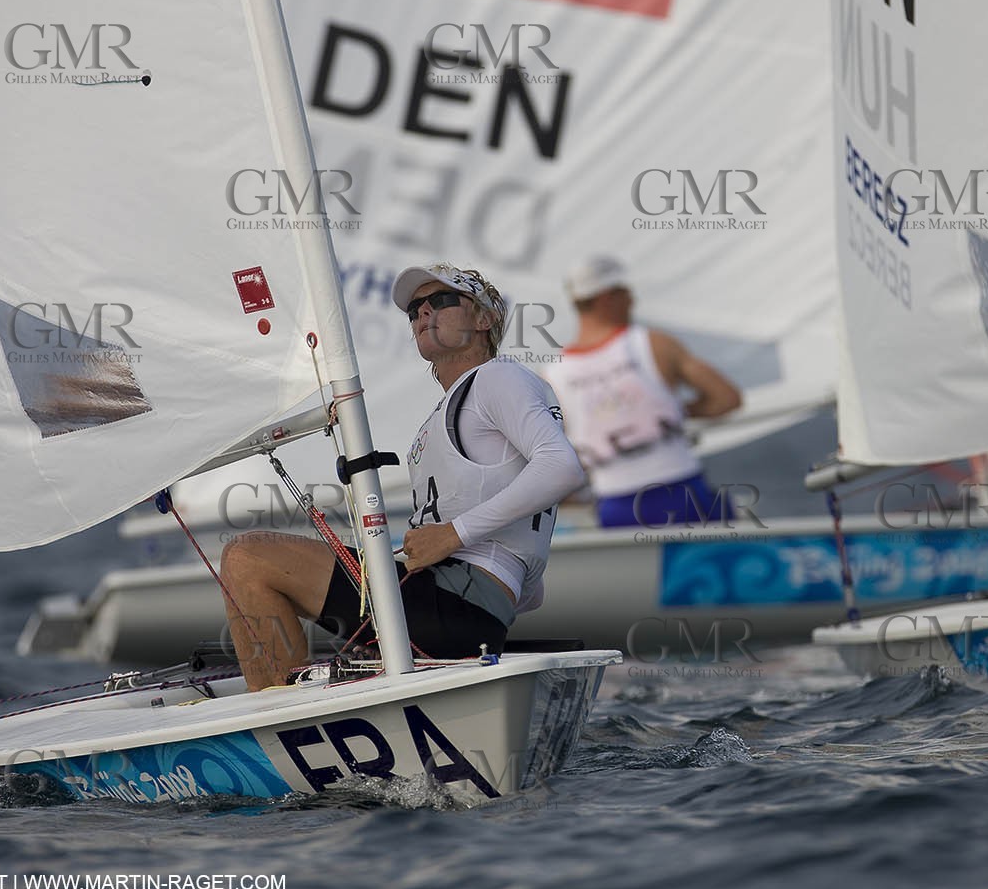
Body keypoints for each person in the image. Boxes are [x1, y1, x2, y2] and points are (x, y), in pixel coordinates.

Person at [219, 263, 585, 691]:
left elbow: (562, 466)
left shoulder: (497, 378)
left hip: (460, 603)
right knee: (254, 562)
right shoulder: (447, 414)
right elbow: (530, 583)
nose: (424, 313)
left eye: (443, 301)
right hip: (459, 605)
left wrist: (453, 536)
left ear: (484, 319)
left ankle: (276, 727)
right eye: (415, 310)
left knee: (248, 559)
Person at [543, 255, 742, 528]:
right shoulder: (654, 344)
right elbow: (727, 398)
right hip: (684, 494)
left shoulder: (554, 374)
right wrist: (675, 412)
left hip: (615, 508)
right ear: (606, 297)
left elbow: (552, 456)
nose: (632, 300)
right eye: (625, 292)